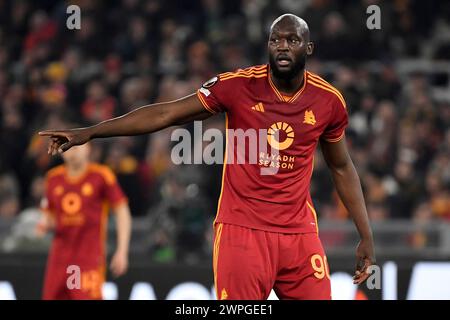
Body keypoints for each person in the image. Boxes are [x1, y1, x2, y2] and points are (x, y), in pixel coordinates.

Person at [40, 14, 375, 300]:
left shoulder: (328, 101)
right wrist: (91, 132)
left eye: (292, 40)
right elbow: (166, 114)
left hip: (300, 235)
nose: (283, 46)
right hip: (242, 232)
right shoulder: (237, 86)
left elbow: (341, 166)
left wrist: (365, 234)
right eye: (275, 40)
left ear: (309, 48)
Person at [37, 142, 132, 300]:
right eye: (66, 148)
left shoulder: (101, 175)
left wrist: (122, 251)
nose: (72, 152)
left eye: (76, 147)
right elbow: (49, 215)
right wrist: (45, 224)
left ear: (88, 148)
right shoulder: (53, 178)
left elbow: (122, 211)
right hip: (59, 259)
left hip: (88, 259)